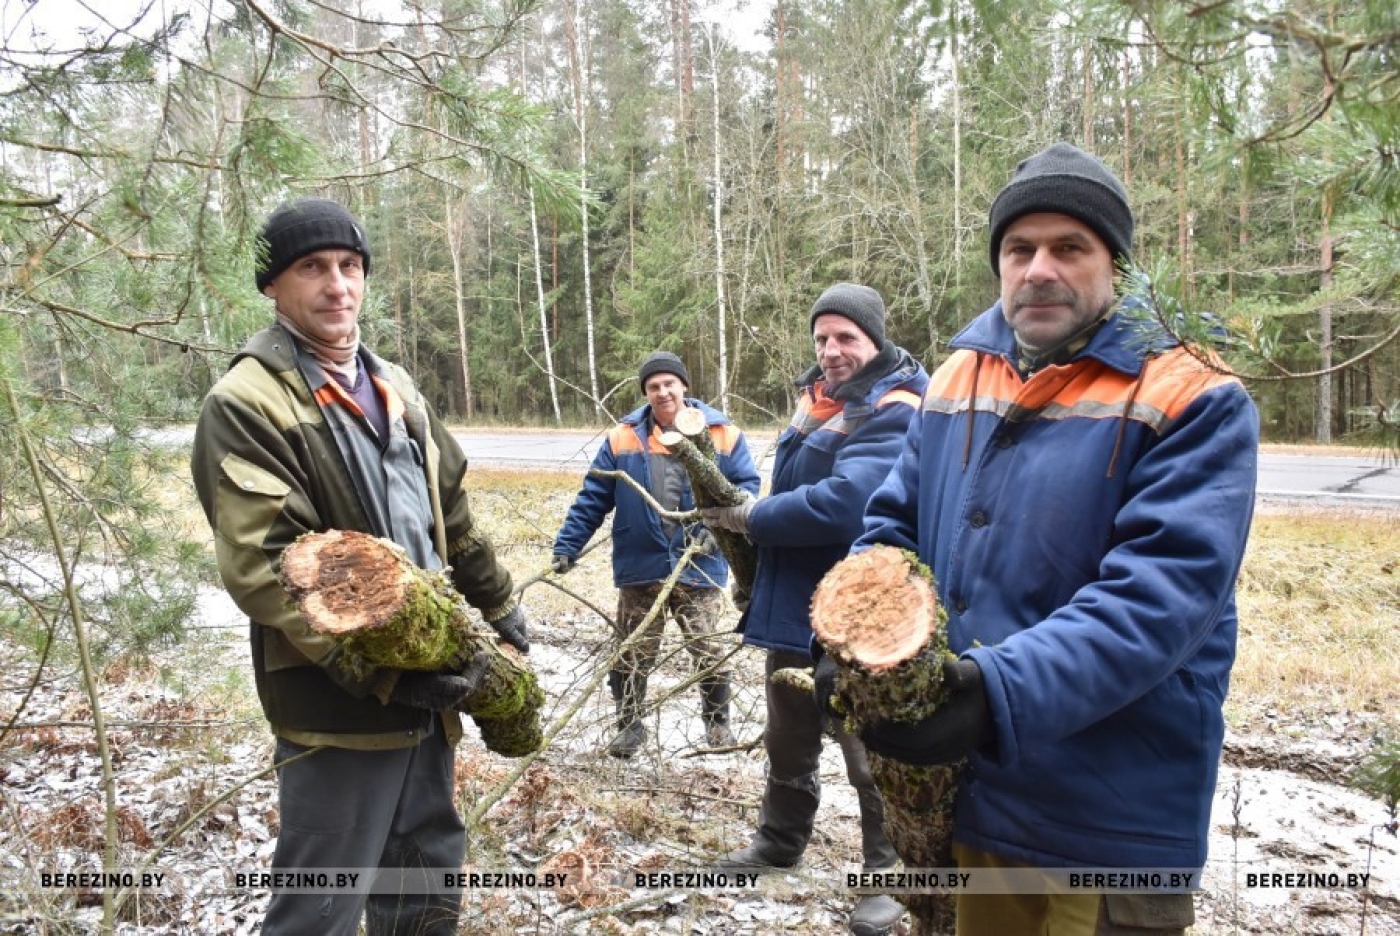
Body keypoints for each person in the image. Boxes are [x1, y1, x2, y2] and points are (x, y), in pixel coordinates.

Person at [850, 143, 1259, 935]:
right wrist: (857, 655)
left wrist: (988, 696)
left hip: (1108, 814)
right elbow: (890, 531)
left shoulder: (1194, 395)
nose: (1040, 268)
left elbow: (1157, 599)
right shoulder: (958, 378)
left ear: (1119, 266)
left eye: (1069, 247)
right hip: (977, 803)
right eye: (1019, 249)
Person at [190, 197, 532, 936]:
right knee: (321, 904)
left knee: (425, 885)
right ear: (272, 287)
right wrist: (379, 672)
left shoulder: (396, 387)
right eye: (312, 268)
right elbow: (265, 565)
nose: (337, 285)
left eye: (349, 267)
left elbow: (452, 509)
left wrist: (498, 605)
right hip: (336, 705)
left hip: (432, 692)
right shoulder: (248, 403)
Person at [701, 284, 928, 936]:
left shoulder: (894, 405)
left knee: (867, 748)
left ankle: (888, 876)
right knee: (789, 733)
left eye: (846, 338)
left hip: (859, 611)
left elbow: (849, 501)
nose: (831, 350)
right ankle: (779, 841)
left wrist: (752, 519)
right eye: (822, 338)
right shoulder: (821, 398)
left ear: (875, 340)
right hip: (798, 601)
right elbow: (801, 479)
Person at [551, 351, 760, 758]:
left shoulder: (721, 433)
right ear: (646, 393)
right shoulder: (623, 436)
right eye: (653, 386)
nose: (662, 392)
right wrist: (567, 545)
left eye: (669, 383)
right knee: (631, 649)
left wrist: (718, 536)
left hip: (698, 561)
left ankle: (718, 725)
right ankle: (629, 727)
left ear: (684, 386)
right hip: (641, 565)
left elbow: (745, 491)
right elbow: (593, 497)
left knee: (707, 647)